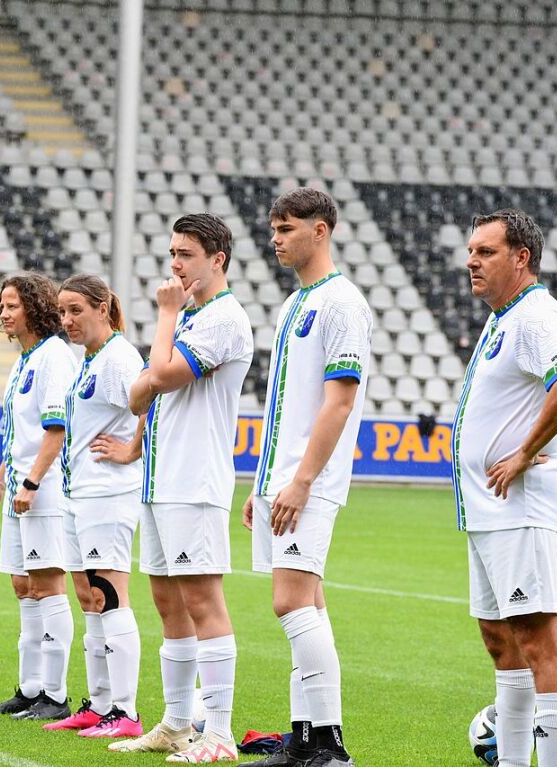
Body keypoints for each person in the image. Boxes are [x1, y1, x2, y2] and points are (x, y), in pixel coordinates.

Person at [111, 213, 253, 763]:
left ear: (217, 260)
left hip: (194, 479)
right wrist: (165, 340)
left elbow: (161, 377)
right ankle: (175, 722)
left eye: (187, 253)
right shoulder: (190, 318)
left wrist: (166, 315)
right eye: (173, 251)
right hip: (161, 479)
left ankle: (217, 733)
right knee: (168, 602)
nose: (175, 263)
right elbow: (136, 396)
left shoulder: (222, 317)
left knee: (202, 600)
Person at [452, 210, 557, 767]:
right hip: (489, 508)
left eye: (485, 252)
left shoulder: (536, 316)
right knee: (500, 641)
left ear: (520, 258)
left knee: (536, 637)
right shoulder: (503, 317)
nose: (471, 261)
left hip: (521, 503)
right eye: (471, 251)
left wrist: (526, 452)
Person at [240, 189, 372, 767]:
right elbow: (283, 407)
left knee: (290, 603)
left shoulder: (342, 303)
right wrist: (261, 482)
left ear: (321, 231)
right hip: (282, 479)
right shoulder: (295, 304)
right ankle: (304, 737)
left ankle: (330, 743)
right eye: (273, 228)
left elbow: (338, 403)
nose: (276, 238)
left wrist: (301, 481)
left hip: (308, 483)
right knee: (308, 605)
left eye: (287, 228)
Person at [41, 274, 144, 739]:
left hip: (108, 493)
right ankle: (99, 704)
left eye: (76, 310)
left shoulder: (120, 358)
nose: (67, 320)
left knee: (110, 593)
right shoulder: (91, 360)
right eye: (62, 312)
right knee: (89, 597)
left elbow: (152, 407)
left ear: (104, 308)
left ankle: (125, 711)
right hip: (79, 493)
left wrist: (131, 450)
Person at [0, 272, 78, 722]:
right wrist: (0, 484)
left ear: (35, 307)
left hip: (45, 489)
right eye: (1, 305)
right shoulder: (26, 359)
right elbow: (20, 434)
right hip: (20, 486)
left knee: (47, 585)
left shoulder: (55, 357)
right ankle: (30, 688)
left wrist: (32, 483)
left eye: (11, 305)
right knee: (23, 586)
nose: (3, 313)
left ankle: (55, 696)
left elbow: (56, 430)